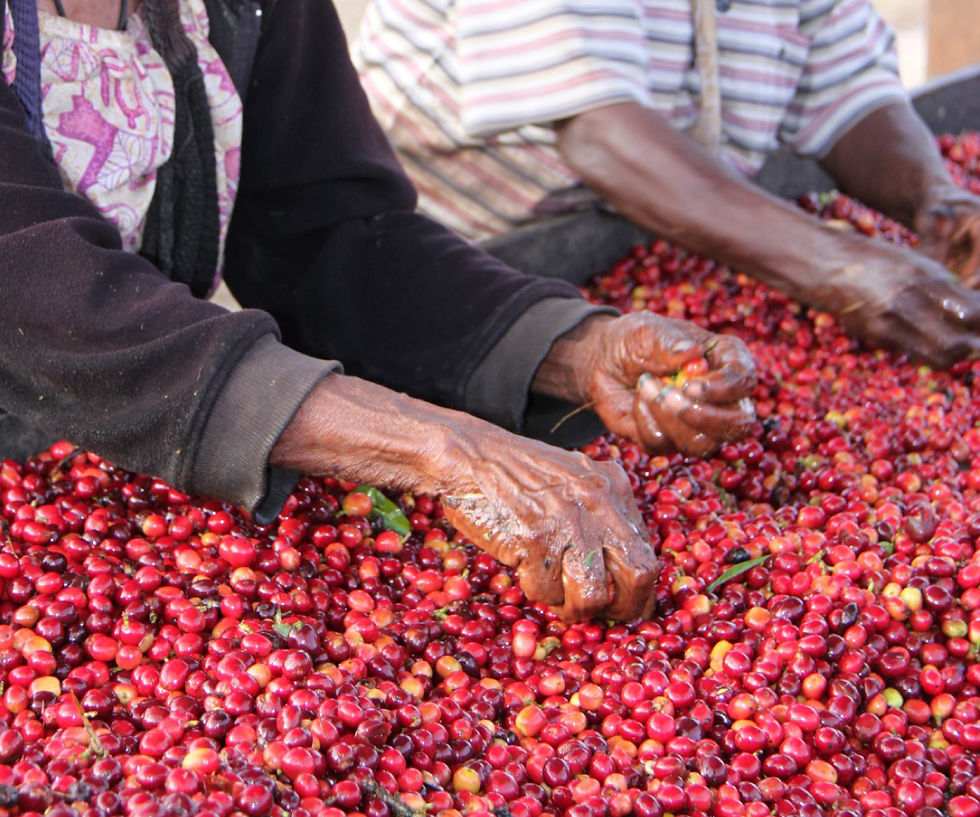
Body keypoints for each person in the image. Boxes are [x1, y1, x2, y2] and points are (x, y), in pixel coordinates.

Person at [0, 0, 757, 621]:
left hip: (121, 475)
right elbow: (36, 288)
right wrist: (447, 449)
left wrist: (576, 348)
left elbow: (330, 237)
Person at [355, 0, 980, 367]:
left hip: (661, 218)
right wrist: (844, 269)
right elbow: (598, 124)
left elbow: (847, 82)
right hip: (448, 238)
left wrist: (936, 199)